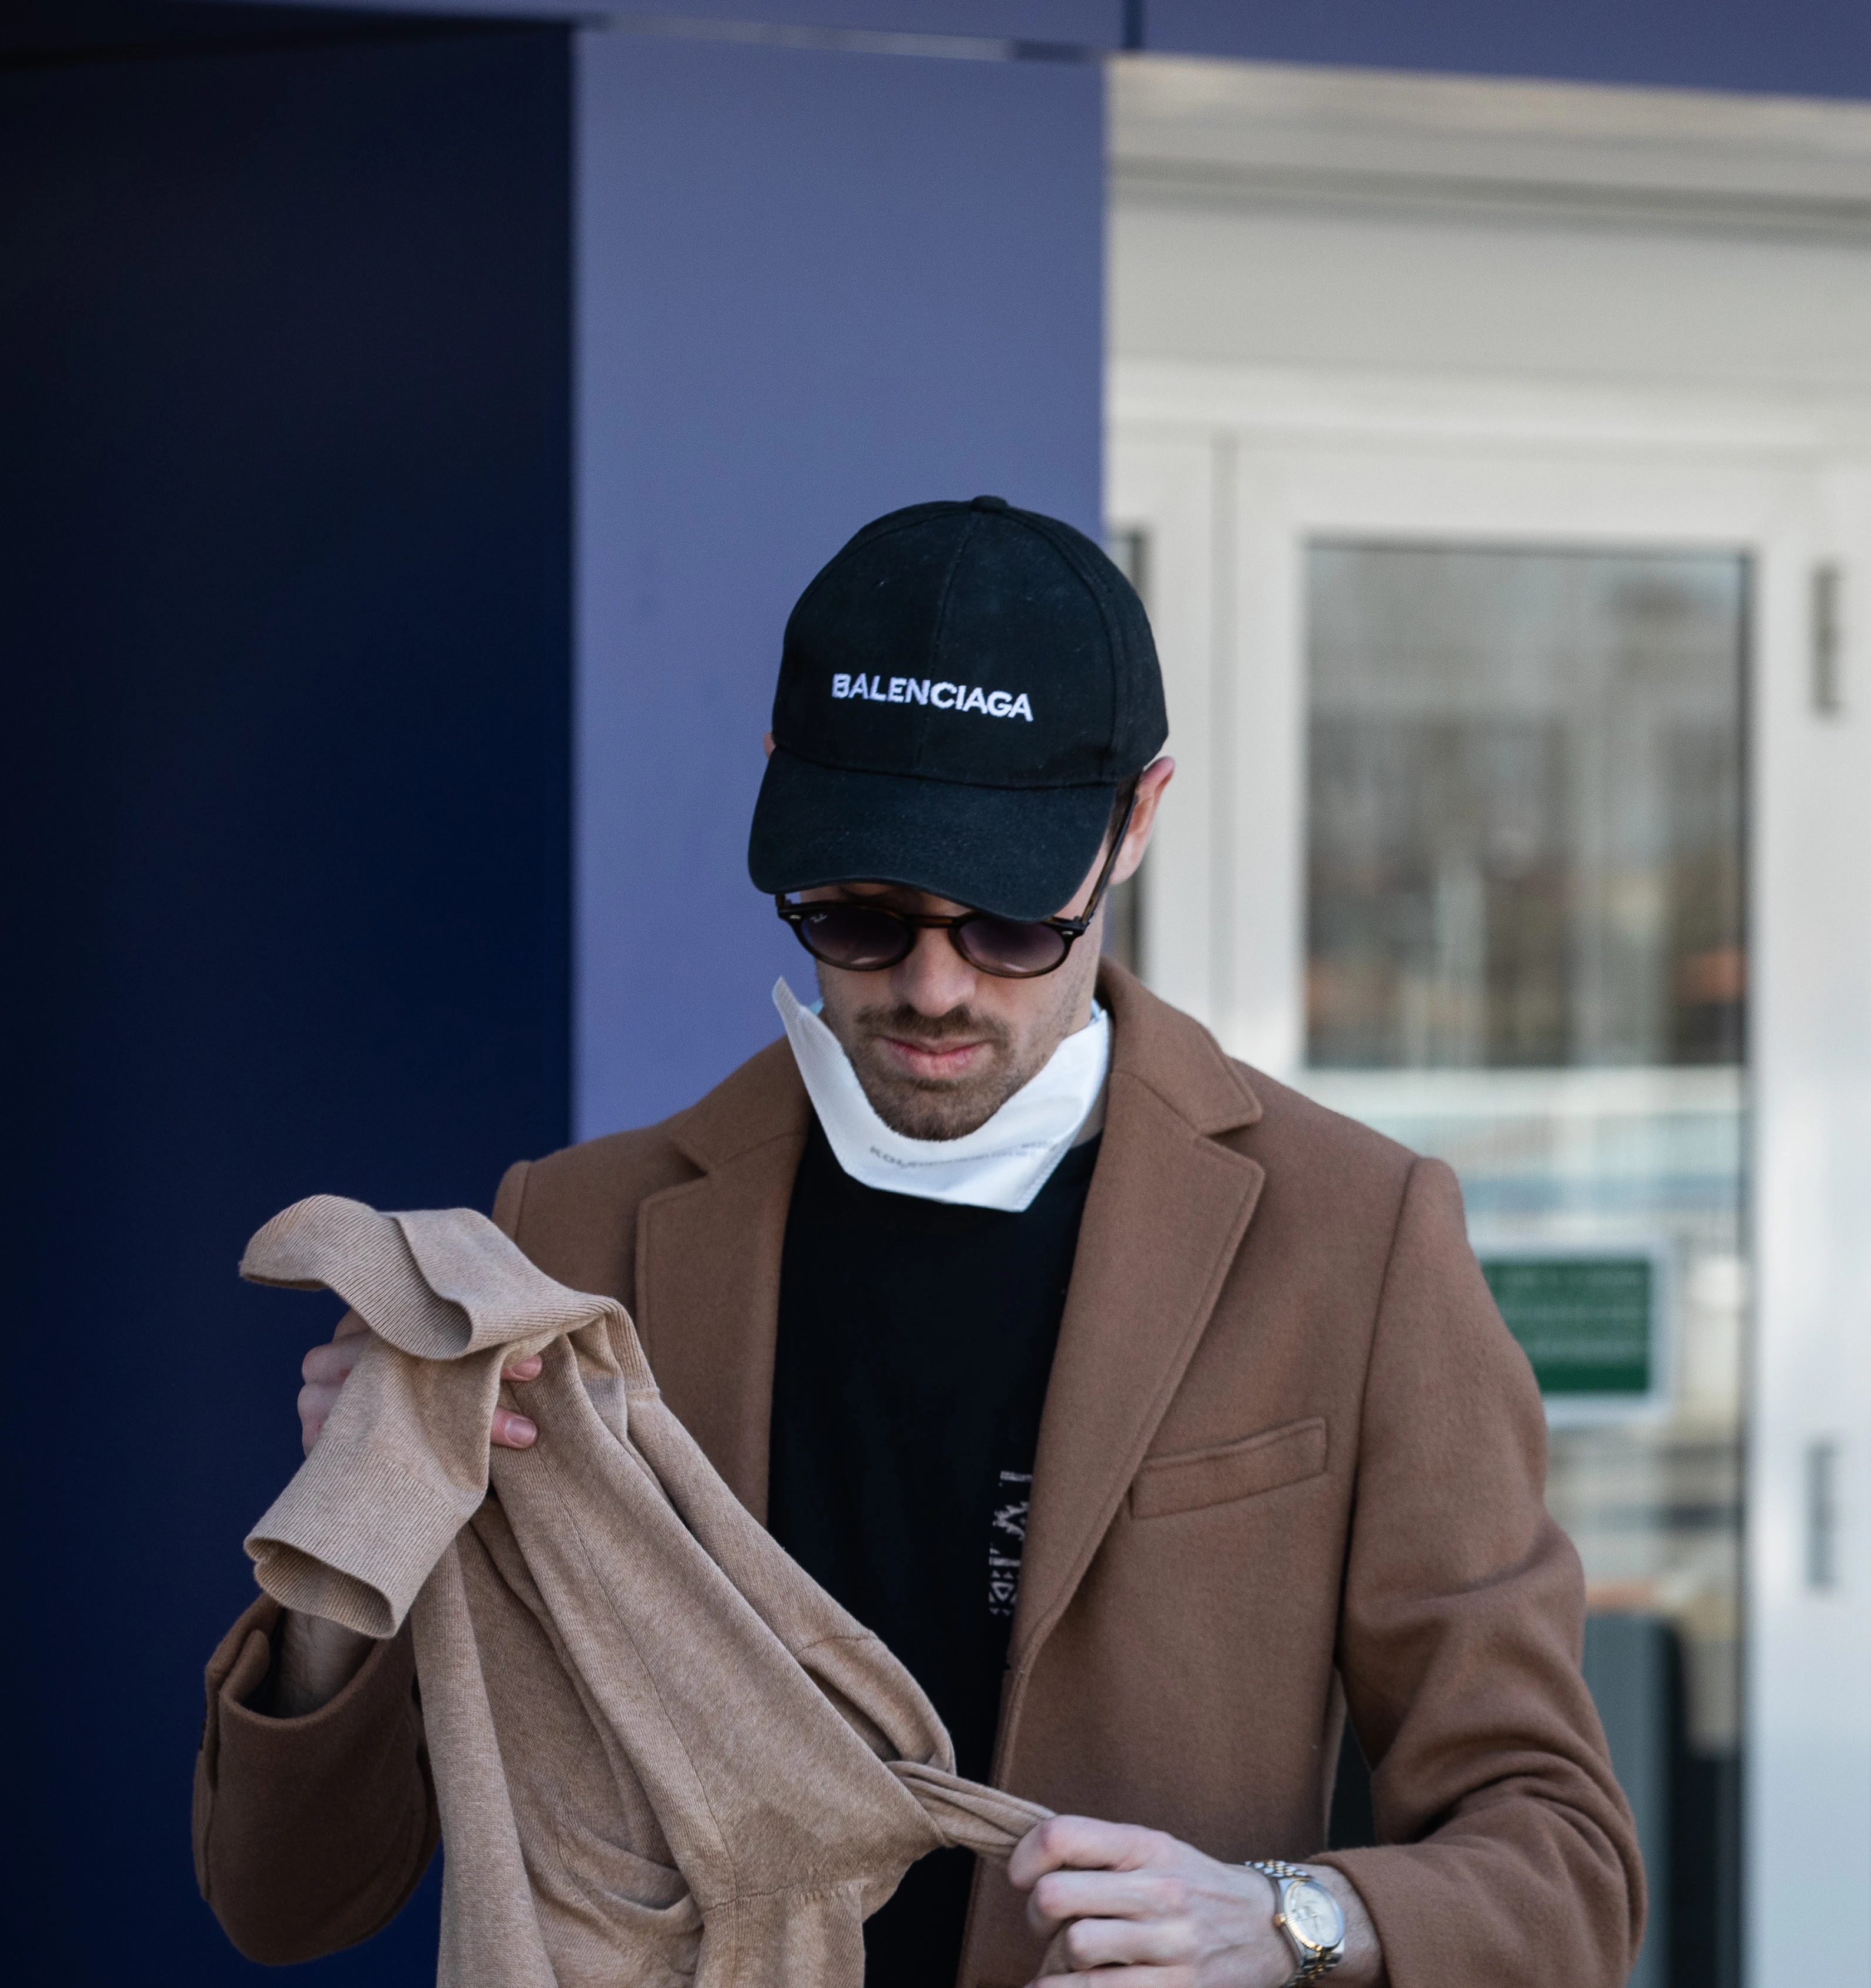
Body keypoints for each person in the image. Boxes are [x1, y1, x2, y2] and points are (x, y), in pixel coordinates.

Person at [196, 497, 1644, 1988]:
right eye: (860, 915)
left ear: (1133, 822)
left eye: (1012, 921)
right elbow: (287, 1898)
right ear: (785, 803)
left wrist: (1287, 1918)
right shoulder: (572, 1236)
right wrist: (358, 1522)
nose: (936, 987)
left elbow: (1565, 1866)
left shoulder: (1357, 1242)